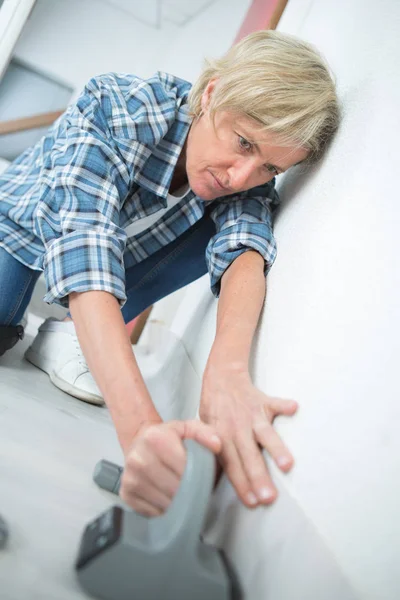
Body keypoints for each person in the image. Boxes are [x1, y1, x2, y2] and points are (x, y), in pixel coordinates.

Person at [0, 31, 340, 517]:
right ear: (211, 94)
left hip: (100, 278)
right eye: (242, 142)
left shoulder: (244, 182)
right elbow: (85, 246)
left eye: (270, 167)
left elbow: (245, 251)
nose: (241, 175)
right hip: (17, 228)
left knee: (225, 218)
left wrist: (227, 371)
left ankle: (74, 335)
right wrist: (141, 432)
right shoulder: (119, 105)